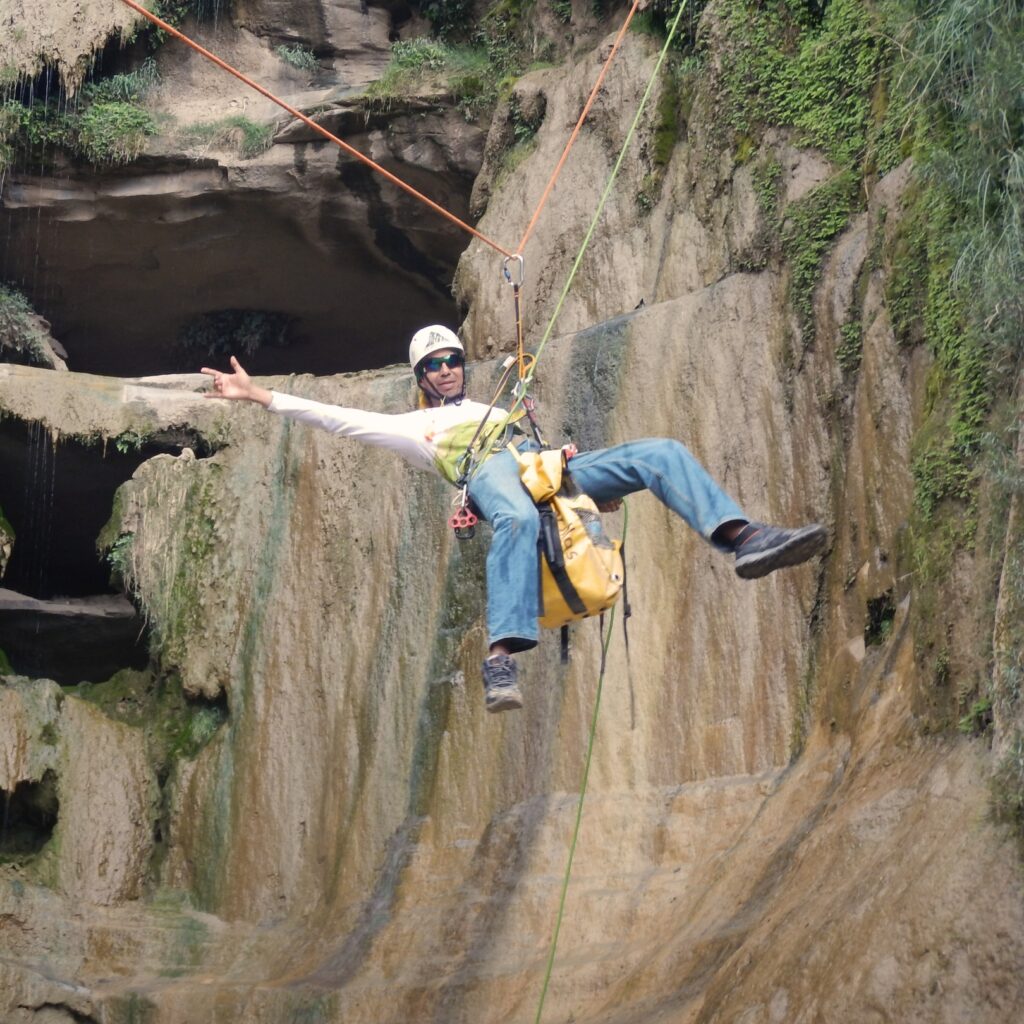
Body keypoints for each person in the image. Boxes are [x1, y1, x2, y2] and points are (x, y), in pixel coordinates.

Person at [202, 325, 828, 714]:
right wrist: (262, 396)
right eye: (431, 365)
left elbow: (539, 465)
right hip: (492, 476)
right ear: (419, 380)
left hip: (541, 470)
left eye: (451, 359)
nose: (444, 369)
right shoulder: (415, 428)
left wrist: (576, 493)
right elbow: (335, 418)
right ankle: (501, 656)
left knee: (659, 453)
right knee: (518, 521)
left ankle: (744, 539)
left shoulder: (497, 405)